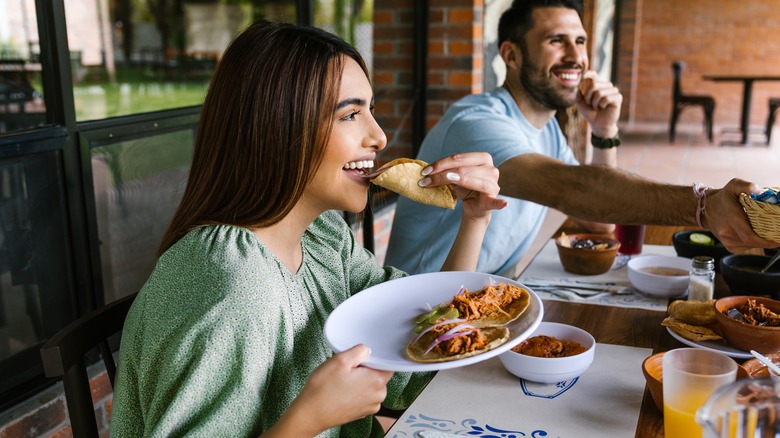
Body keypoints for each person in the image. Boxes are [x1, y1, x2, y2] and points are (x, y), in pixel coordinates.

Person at [110, 21, 506, 437]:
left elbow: (421, 352)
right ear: (279, 127)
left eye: (372, 110)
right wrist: (308, 420)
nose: (380, 136)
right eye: (351, 114)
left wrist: (475, 219)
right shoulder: (229, 282)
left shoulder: (323, 238)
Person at [385, 0, 776, 277]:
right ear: (513, 55)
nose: (576, 56)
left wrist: (604, 133)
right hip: (421, 314)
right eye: (557, 41)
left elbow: (597, 221)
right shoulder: (477, 122)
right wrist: (702, 206)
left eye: (582, 41)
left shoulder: (546, 128)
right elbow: (570, 189)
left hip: (479, 304)